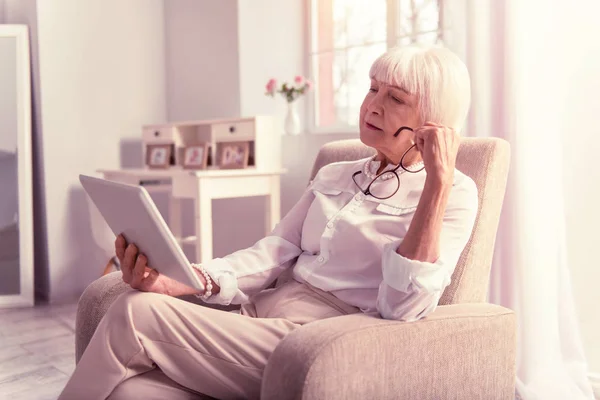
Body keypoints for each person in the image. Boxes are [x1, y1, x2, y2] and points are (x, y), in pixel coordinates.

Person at [59, 45, 478, 400]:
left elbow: (404, 308)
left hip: (315, 341)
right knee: (129, 393)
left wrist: (436, 186)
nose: (373, 105)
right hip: (255, 319)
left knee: (135, 311)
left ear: (433, 123)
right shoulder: (336, 174)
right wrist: (188, 280)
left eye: (396, 98)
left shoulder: (453, 193)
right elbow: (274, 252)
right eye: (372, 89)